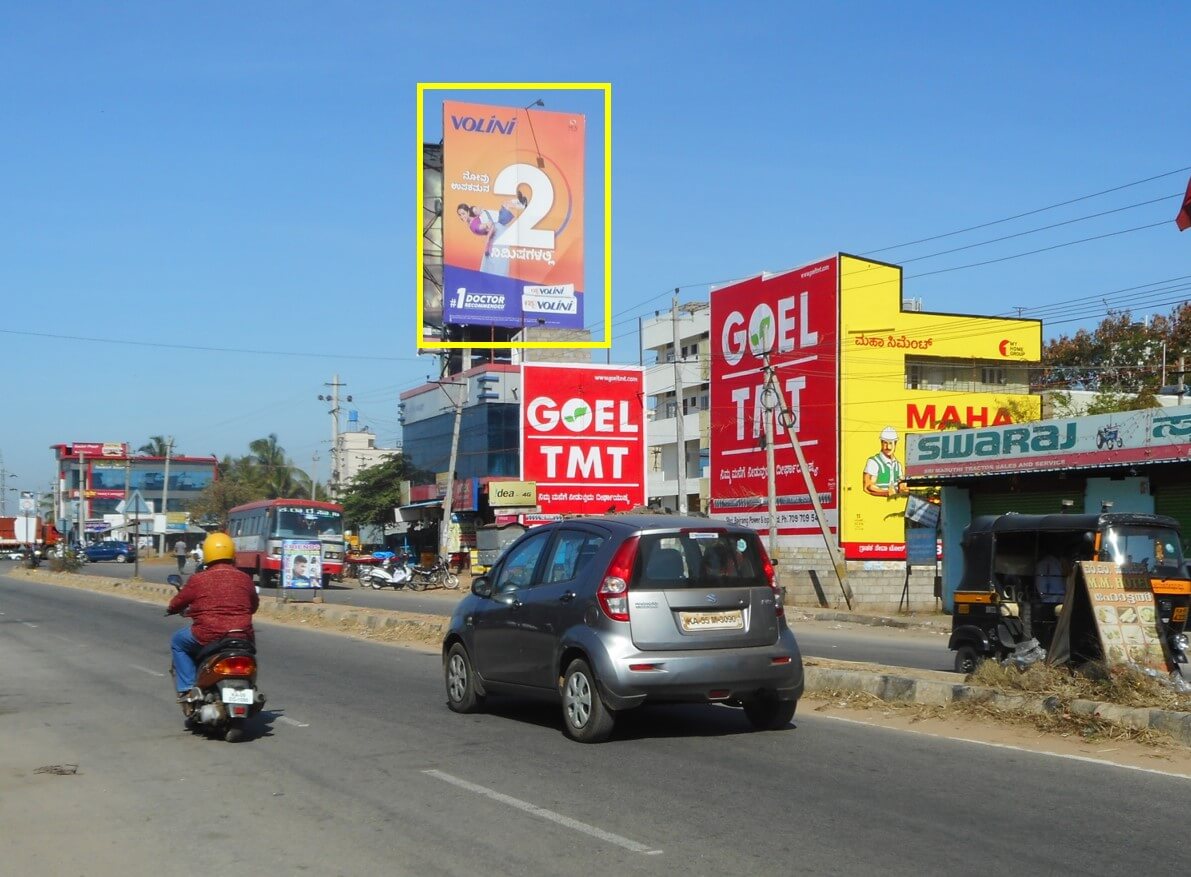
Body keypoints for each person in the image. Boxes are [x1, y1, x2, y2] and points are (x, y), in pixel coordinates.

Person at [166, 532, 259, 702]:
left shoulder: (199, 579)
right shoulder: (245, 579)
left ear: (207, 554)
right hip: (242, 635)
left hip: (207, 635)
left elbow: (178, 602)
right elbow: (253, 606)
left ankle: (187, 688)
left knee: (177, 642)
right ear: (232, 553)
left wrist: (172, 609)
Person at [863, 426, 909, 499]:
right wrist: (886, 493)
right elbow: (868, 486)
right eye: (885, 443)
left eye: (891, 443)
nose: (888, 447)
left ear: (895, 444)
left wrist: (905, 489)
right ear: (881, 443)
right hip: (877, 504)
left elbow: (901, 485)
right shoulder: (873, 462)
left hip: (896, 504)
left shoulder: (897, 465)